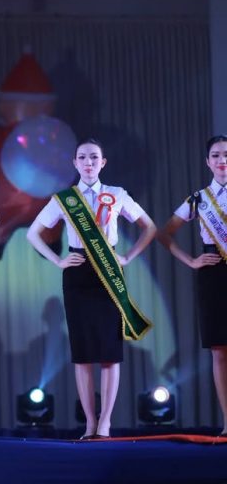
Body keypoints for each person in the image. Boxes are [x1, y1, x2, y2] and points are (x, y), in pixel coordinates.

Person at [26, 138, 156, 439]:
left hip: (109, 272)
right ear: (74, 163)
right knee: (83, 353)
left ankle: (106, 421)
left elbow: (149, 227)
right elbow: (33, 233)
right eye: (82, 157)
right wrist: (58, 260)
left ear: (103, 162)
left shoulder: (117, 194)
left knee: (110, 351)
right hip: (78, 273)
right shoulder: (65, 199)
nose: (88, 163)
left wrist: (128, 257)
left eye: (94, 157)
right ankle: (89, 422)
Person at [157, 134, 227, 436]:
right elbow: (164, 233)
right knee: (219, 351)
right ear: (207, 162)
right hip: (213, 274)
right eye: (216, 155)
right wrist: (191, 260)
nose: (222, 160)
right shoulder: (199, 199)